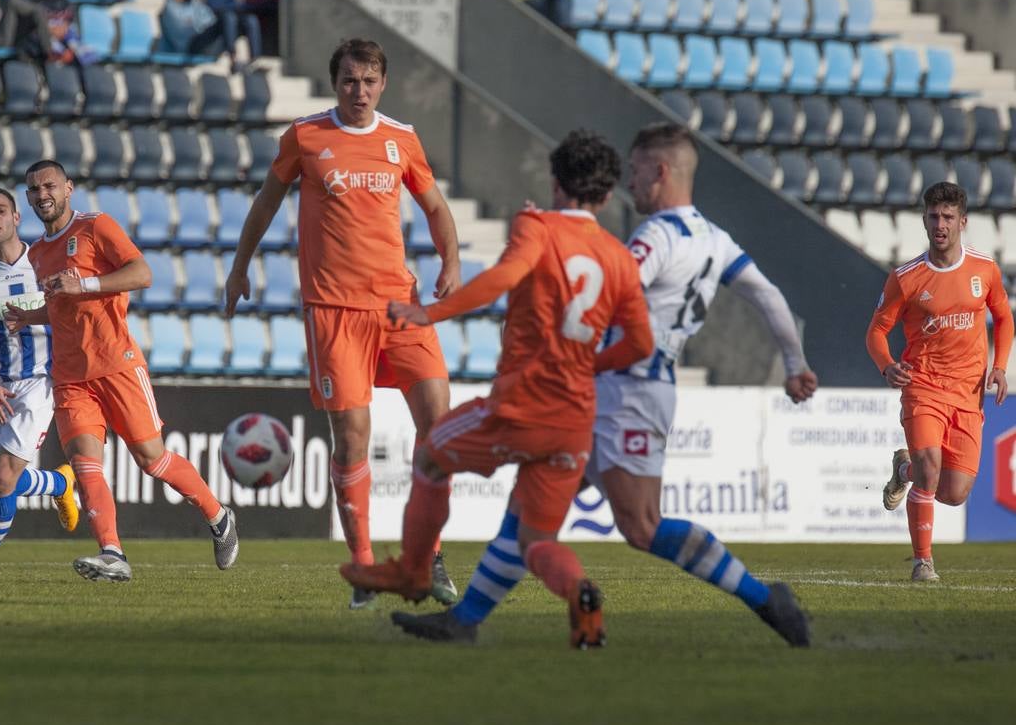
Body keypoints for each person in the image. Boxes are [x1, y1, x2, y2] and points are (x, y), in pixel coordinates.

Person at [398, 122, 815, 647]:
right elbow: (768, 295)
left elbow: (607, 288)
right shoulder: (716, 239)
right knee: (528, 511)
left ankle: (762, 598)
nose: (630, 185)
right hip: (622, 387)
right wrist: (795, 362)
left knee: (640, 525)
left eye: (637, 172)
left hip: (625, 390)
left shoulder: (655, 236)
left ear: (660, 172)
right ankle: (465, 620)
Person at [341, 131, 654, 649]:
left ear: (556, 183)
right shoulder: (619, 257)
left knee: (433, 452)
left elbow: (505, 277)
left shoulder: (537, 225)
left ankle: (414, 573)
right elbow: (641, 342)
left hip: (522, 404)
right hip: (575, 419)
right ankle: (579, 592)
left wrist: (430, 312)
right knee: (535, 542)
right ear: (605, 197)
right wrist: (586, 363)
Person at [224, 38, 463, 609]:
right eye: (350, 80)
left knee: (442, 430)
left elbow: (435, 207)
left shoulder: (400, 139)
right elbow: (266, 202)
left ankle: (427, 557)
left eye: (370, 80)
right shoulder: (306, 137)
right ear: (337, 83)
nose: (360, 91)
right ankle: (362, 568)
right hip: (334, 312)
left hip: (400, 308)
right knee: (352, 440)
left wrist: (451, 261)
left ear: (384, 83)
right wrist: (239, 267)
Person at [4, 160, 238, 582]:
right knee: (84, 460)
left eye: (50, 185)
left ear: (68, 188)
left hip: (117, 364)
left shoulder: (96, 227)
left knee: (152, 459)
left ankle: (218, 516)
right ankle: (112, 552)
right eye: (34, 189)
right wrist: (30, 315)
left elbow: (142, 274)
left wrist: (86, 284)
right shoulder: (36, 253)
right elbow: (63, 311)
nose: (43, 195)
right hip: (72, 376)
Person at [870, 182, 1011, 582]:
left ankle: (904, 470)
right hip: (923, 386)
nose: (941, 224)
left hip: (968, 394)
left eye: (948, 217)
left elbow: (1003, 317)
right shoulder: (906, 278)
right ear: (924, 220)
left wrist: (999, 366)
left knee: (954, 492)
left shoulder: (984, 270)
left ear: (962, 222)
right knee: (931, 469)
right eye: (934, 216)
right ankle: (923, 563)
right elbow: (876, 332)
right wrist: (886, 366)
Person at [0, 186, 79, 582]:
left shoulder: (44, 265)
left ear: (17, 218)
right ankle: (59, 482)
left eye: (2, 210)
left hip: (38, 382)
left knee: (4, 478)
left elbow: (71, 318)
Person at [158, 0, 260, 68]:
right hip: (191, 44)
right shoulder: (170, 8)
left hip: (208, 40)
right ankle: (233, 59)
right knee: (227, 16)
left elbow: (209, 20)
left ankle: (255, 60)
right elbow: (181, 29)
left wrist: (197, 24)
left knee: (250, 20)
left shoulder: (197, 6)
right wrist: (198, 25)